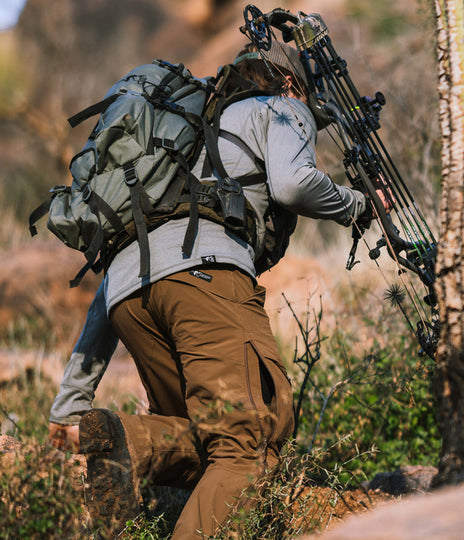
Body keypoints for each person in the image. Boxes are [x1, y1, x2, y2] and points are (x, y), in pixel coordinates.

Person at [49, 40, 378, 539]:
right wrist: (359, 204)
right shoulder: (281, 106)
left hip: (129, 303)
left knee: (209, 438)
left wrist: (72, 399)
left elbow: (118, 273)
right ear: (289, 82)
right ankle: (138, 452)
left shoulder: (179, 149)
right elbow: (293, 184)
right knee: (249, 444)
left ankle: (129, 442)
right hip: (204, 282)